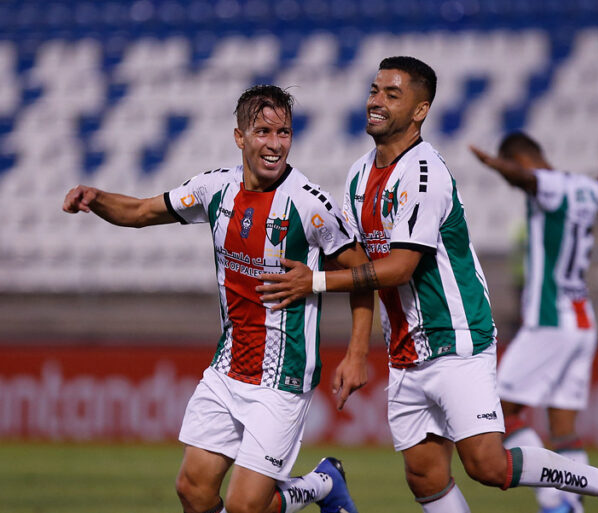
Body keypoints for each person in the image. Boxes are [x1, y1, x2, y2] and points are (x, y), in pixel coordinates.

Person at [256, 57, 598, 513]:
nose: (376, 102)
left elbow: (401, 267)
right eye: (374, 90)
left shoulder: (425, 173)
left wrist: (316, 282)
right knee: (424, 474)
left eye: (392, 94)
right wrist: (355, 353)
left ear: (420, 110)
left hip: (457, 337)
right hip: (405, 351)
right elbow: (363, 267)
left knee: (487, 465)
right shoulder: (358, 175)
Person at [62, 84, 372, 513]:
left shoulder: (309, 204)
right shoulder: (215, 188)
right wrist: (96, 199)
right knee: (193, 490)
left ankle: (320, 485)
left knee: (246, 507)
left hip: (282, 379)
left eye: (284, 132)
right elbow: (138, 212)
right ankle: (325, 482)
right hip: (227, 369)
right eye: (263, 131)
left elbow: (364, 276)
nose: (275, 144)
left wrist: (357, 354)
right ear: (239, 137)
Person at [470, 132, 598, 513]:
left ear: (520, 159)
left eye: (513, 170)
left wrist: (495, 166)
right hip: (583, 322)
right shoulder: (587, 187)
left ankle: (555, 501)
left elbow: (528, 179)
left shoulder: (547, 185)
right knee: (564, 429)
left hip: (550, 321)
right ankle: (574, 505)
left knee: (498, 412)